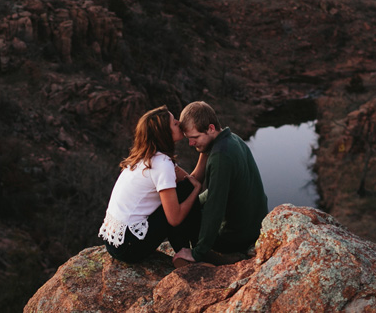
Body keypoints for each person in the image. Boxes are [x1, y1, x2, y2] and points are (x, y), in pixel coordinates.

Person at [98, 105, 202, 263]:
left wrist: (204, 149)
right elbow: (175, 217)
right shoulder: (162, 163)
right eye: (174, 123)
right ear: (164, 134)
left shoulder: (144, 157)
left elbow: (189, 179)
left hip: (114, 243)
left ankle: (184, 251)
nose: (179, 123)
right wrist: (196, 191)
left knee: (183, 190)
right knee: (186, 192)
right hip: (129, 246)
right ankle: (194, 252)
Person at [173, 101, 268, 267]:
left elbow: (214, 208)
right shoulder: (233, 140)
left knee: (182, 215)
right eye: (189, 139)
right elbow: (216, 192)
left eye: (194, 137)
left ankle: (207, 258)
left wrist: (198, 252)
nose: (191, 143)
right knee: (191, 203)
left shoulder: (220, 157)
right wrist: (195, 200)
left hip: (236, 237)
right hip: (254, 226)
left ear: (210, 128)